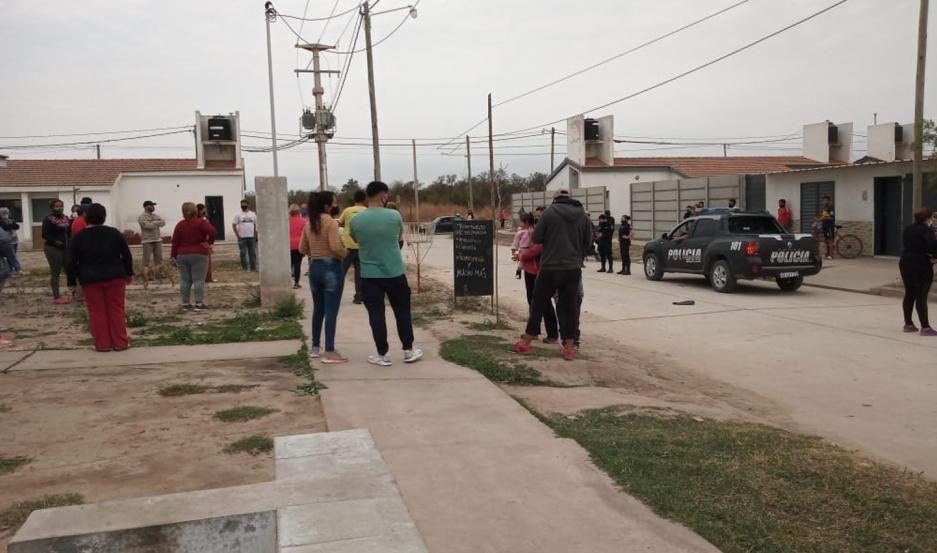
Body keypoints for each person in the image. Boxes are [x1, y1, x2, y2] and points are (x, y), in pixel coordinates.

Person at [349, 181, 423, 366]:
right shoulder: (394, 215)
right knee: (402, 310)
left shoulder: (356, 219)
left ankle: (382, 354)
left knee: (376, 314)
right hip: (395, 272)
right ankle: (408, 350)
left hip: (369, 275)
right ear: (383, 196)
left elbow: (355, 240)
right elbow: (399, 239)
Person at [512, 190, 592, 361]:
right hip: (572, 268)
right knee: (570, 307)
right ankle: (569, 348)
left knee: (538, 303)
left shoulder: (549, 212)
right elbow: (588, 244)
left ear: (555, 199)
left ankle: (526, 343)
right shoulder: (583, 216)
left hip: (550, 267)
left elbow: (538, 237)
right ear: (570, 199)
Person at [66, 203, 133, 352]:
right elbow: (126, 255)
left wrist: (71, 281)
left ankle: (102, 344)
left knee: (96, 312)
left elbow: (71, 261)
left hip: (90, 279)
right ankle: (121, 343)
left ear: (86, 217)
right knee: (117, 310)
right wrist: (128, 273)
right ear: (104, 217)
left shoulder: (78, 237)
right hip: (115, 276)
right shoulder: (114, 233)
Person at [299, 191, 348, 363]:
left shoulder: (308, 223)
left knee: (318, 309)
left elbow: (301, 249)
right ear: (327, 205)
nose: (336, 205)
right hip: (331, 268)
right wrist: (345, 253)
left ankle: (315, 347)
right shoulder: (330, 222)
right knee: (331, 310)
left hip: (314, 268)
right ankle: (329, 351)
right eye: (334, 202)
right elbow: (335, 246)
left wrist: (315, 250)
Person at [514, 213, 559, 343]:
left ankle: (552, 333)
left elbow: (537, 249)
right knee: (533, 302)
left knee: (543, 303)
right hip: (530, 270)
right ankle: (534, 331)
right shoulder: (531, 232)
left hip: (538, 271)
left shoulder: (536, 233)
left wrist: (522, 256)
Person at [171, 202, 216, 311]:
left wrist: (173, 255)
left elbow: (175, 242)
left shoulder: (180, 224)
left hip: (182, 254)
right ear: (195, 210)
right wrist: (209, 242)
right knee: (198, 280)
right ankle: (199, 304)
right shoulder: (201, 222)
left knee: (185, 280)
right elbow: (212, 231)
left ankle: (185, 304)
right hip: (199, 253)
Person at [899, 208, 937, 336]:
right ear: (928, 218)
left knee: (910, 293)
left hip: (905, 261)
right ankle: (925, 327)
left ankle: (908, 324)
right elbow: (933, 245)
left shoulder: (908, 228)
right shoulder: (927, 230)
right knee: (921, 295)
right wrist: (935, 257)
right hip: (921, 263)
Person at [338, 190, 367, 303]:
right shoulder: (366, 211)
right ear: (364, 199)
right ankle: (359, 297)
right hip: (361, 246)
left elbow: (340, 223)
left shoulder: (347, 210)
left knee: (341, 272)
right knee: (359, 273)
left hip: (348, 246)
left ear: (354, 199)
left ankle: (335, 295)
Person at [41, 199, 72, 304]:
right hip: (52, 248)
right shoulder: (48, 219)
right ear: (52, 208)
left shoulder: (66, 218)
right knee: (56, 272)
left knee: (70, 270)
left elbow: (69, 232)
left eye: (60, 206)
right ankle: (56, 296)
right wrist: (56, 242)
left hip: (66, 248)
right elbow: (44, 234)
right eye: (56, 206)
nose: (59, 208)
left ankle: (74, 292)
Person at [138, 201, 165, 270]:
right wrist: (156, 223)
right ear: (146, 207)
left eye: (153, 206)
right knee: (146, 259)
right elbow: (147, 226)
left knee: (159, 258)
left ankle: (160, 273)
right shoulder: (141, 217)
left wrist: (154, 223)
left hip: (157, 239)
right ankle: (146, 275)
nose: (153, 207)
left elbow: (163, 223)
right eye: (151, 205)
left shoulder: (155, 216)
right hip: (147, 241)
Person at [232, 200, 257, 271]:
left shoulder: (253, 214)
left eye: (244, 204)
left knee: (252, 253)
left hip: (251, 237)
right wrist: (238, 236)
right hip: (242, 238)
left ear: (248, 205)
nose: (243, 206)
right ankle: (245, 268)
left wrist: (255, 235)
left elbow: (255, 225)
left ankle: (253, 268)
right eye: (241, 205)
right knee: (243, 253)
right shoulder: (238, 215)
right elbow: (234, 226)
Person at [196, 204, 216, 283]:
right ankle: (208, 278)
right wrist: (209, 243)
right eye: (204, 210)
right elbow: (211, 232)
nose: (206, 212)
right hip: (204, 244)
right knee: (207, 262)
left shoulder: (192, 220)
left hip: (198, 244)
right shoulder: (203, 220)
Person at [288, 204, 306, 289]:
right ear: (298, 212)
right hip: (299, 244)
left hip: (288, 245)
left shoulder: (286, 221)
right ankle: (296, 283)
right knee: (297, 264)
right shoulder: (303, 221)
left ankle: (287, 282)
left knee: (289, 264)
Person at [0, 207, 21, 274]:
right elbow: (5, 228)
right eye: (3, 213)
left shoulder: (10, 220)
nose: (5, 214)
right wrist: (10, 225)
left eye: (6, 213)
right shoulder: (1, 222)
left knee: (12, 255)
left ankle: (11, 269)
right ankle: (17, 269)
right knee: (11, 256)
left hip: (14, 240)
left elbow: (17, 226)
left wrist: (11, 224)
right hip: (7, 242)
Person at [820, 195, 836, 260]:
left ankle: (831, 255)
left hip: (829, 226)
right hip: (824, 226)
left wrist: (824, 217)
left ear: (829, 201)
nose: (824, 202)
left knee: (830, 241)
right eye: (823, 200)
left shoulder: (831, 208)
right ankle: (827, 254)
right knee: (826, 240)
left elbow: (832, 217)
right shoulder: (824, 208)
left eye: (825, 200)